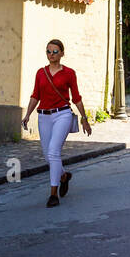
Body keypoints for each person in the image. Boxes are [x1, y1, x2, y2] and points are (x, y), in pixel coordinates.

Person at [22, 39, 91, 207]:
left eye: (54, 51)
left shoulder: (69, 73)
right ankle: (64, 176)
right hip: (44, 116)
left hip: (63, 115)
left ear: (62, 53)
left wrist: (84, 118)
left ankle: (53, 194)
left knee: (53, 152)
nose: (51, 55)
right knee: (48, 156)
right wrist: (27, 115)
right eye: (48, 51)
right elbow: (35, 95)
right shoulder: (40, 73)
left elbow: (76, 98)